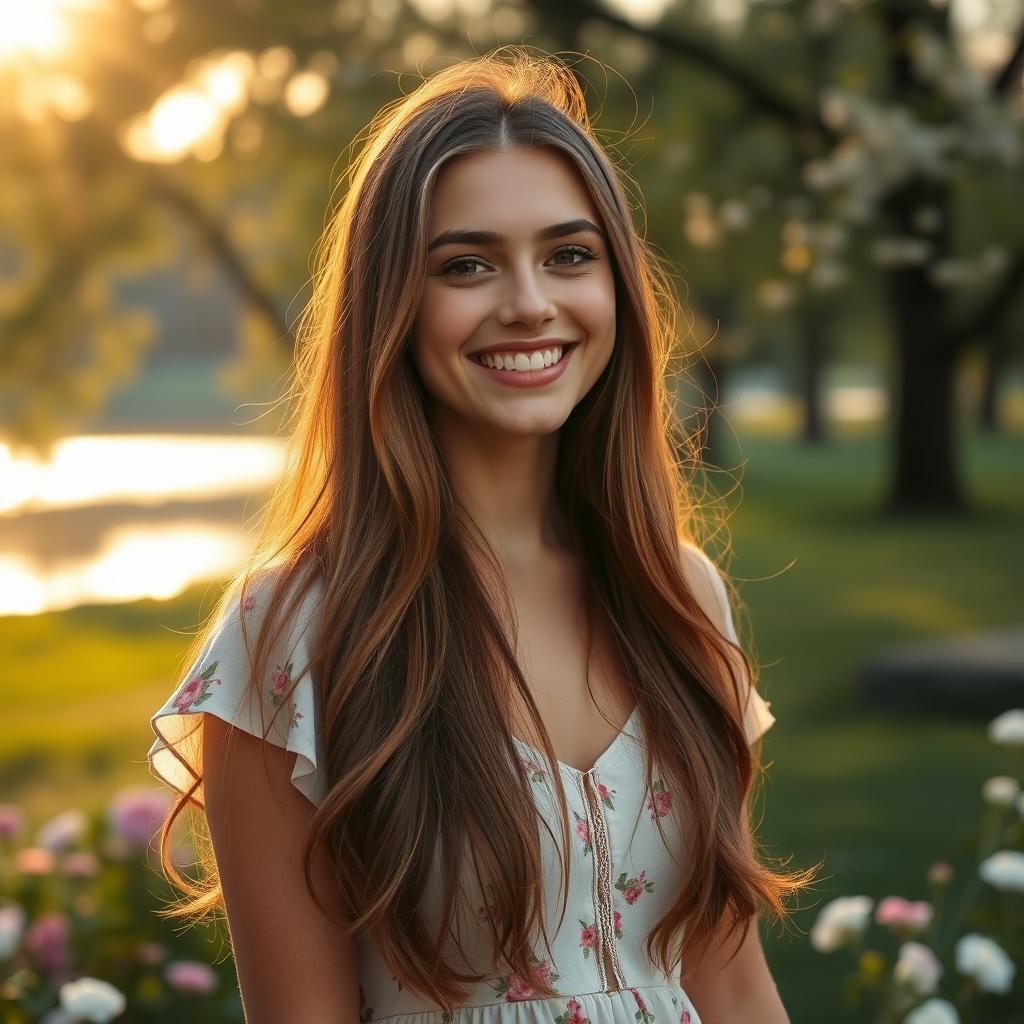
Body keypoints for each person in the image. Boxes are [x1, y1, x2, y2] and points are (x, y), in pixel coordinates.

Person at [147, 45, 818, 1024]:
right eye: (467, 264)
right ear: (393, 305)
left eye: (568, 254)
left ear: (617, 289)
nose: (529, 303)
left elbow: (727, 977)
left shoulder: (678, 595)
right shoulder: (291, 633)